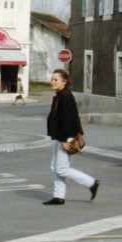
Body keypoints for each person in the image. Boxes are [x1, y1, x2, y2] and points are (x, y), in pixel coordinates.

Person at [43, 69, 99, 205]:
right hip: (59, 136)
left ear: (64, 81)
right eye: (52, 79)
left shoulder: (66, 96)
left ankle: (91, 183)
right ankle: (58, 196)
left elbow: (67, 119)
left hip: (65, 136)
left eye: (55, 80)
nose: (52, 82)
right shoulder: (60, 95)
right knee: (55, 167)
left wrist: (63, 139)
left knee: (61, 168)